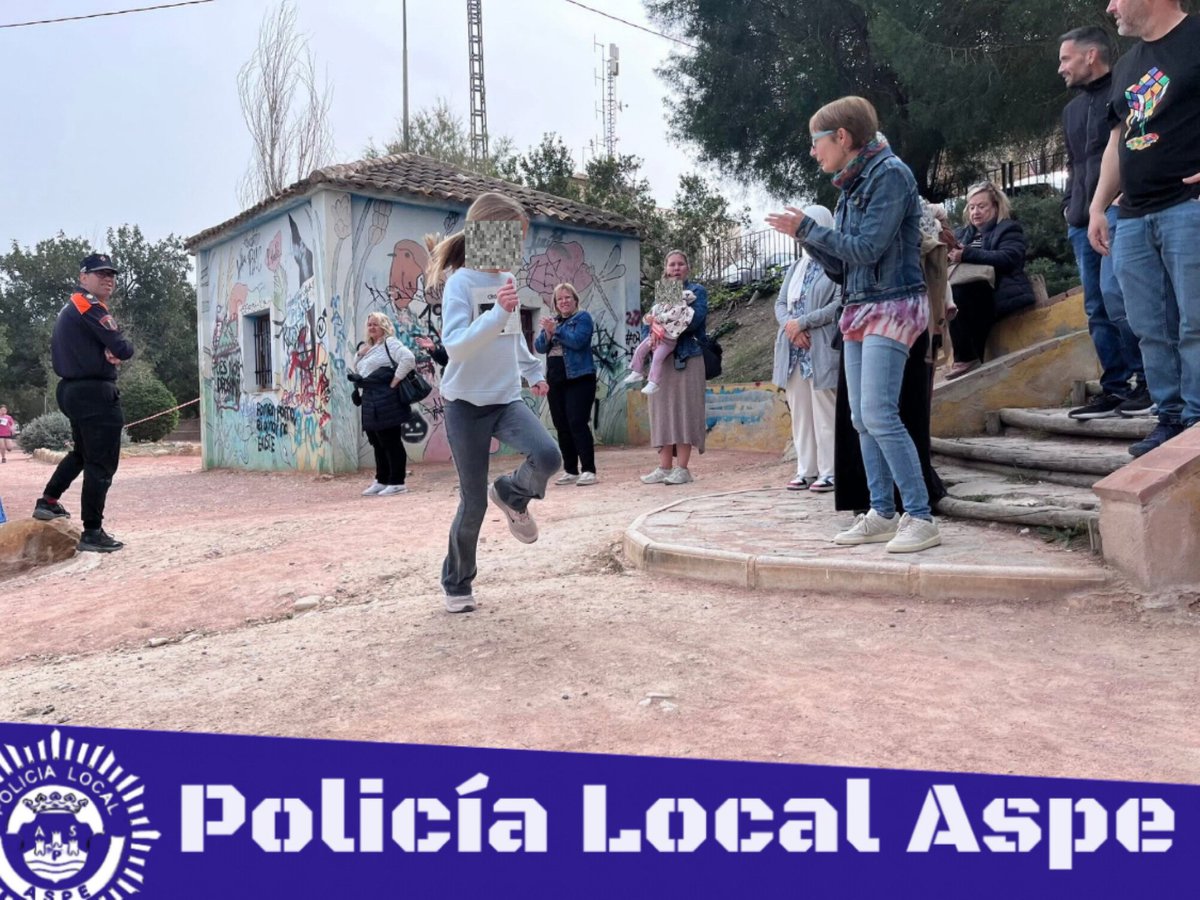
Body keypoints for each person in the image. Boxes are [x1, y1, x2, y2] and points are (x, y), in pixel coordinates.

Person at [766, 96, 941, 553]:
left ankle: (919, 517)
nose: (812, 151)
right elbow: (845, 267)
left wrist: (808, 230)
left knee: (880, 412)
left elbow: (865, 248)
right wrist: (807, 238)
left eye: (815, 141)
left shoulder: (890, 175)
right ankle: (882, 512)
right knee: (862, 418)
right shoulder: (851, 183)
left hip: (893, 305)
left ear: (842, 137)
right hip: (861, 306)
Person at [426, 192, 560, 612]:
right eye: (512, 238)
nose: (516, 249)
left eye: (518, 241)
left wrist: (534, 372)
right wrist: (496, 314)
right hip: (465, 403)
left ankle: (512, 493)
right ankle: (457, 582)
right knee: (472, 502)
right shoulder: (460, 284)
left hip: (504, 399)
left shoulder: (506, 279)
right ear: (486, 232)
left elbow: (513, 336)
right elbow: (457, 345)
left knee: (548, 455)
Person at [1088, 0, 1200, 457]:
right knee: (1149, 327)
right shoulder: (1129, 64)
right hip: (1132, 215)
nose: (1111, 6)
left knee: (1196, 321)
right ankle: (1169, 417)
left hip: (1188, 207)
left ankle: (1195, 419)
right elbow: (1118, 139)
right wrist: (1098, 207)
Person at [1058, 26, 1151, 420]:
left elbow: (1142, 142)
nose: (1060, 68)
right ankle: (1114, 387)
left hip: (1119, 210)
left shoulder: (1128, 89)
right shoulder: (1071, 110)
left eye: (1066, 59)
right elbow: (1073, 163)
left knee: (1119, 297)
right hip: (1081, 220)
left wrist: (1123, 195)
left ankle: (1146, 382)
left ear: (1090, 55)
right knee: (1096, 308)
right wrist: (1068, 207)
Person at [32, 253, 134, 552]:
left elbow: (108, 346)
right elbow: (123, 347)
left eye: (111, 274)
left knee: (82, 454)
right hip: (94, 393)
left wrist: (108, 348)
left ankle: (48, 501)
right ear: (83, 277)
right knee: (101, 463)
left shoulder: (72, 308)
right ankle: (92, 532)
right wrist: (114, 348)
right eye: (100, 273)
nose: (108, 278)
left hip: (72, 390)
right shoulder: (88, 305)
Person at [770, 205, 840, 493]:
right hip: (794, 349)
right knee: (800, 412)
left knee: (826, 410)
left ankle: (831, 471)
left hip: (820, 345)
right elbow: (780, 303)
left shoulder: (836, 262)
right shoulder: (796, 267)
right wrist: (791, 327)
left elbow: (838, 303)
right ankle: (805, 469)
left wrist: (803, 323)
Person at [944, 182, 1036, 379]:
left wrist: (967, 254)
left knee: (962, 292)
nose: (975, 212)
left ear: (995, 207)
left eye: (982, 206)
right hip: (968, 297)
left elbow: (1009, 259)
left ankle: (967, 357)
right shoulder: (962, 233)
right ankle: (967, 360)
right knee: (951, 294)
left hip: (999, 293)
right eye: (972, 207)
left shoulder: (1008, 229)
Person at [638, 250, 709, 486]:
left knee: (684, 412)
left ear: (687, 268)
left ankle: (682, 469)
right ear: (666, 269)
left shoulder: (696, 292)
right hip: (661, 361)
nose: (676, 268)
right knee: (662, 413)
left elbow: (692, 321)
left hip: (687, 357)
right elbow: (648, 325)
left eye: (680, 264)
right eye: (672, 265)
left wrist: (661, 324)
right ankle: (664, 467)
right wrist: (653, 327)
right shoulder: (663, 293)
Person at [535, 282, 599, 486]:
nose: (563, 301)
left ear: (575, 300)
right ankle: (570, 469)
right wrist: (548, 332)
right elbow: (539, 346)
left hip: (579, 378)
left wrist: (557, 332)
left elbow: (578, 342)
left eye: (567, 297)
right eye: (559, 298)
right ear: (555, 303)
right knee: (561, 425)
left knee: (576, 422)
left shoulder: (582, 318)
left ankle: (588, 469)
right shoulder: (553, 322)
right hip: (556, 379)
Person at [349, 311, 416, 497]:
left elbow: (408, 359)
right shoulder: (370, 347)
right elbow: (360, 369)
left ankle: (397, 482)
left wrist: (395, 381)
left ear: (384, 326)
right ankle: (382, 479)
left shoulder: (390, 342)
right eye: (369, 324)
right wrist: (359, 354)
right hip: (370, 399)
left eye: (375, 324)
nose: (371, 327)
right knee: (377, 442)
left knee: (390, 441)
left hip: (386, 400)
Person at [624, 285, 696, 395]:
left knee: (657, 359)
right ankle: (636, 371)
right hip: (654, 334)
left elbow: (672, 315)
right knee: (640, 350)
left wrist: (656, 318)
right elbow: (648, 317)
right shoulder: (659, 306)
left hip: (667, 341)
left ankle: (654, 382)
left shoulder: (680, 305)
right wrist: (647, 318)